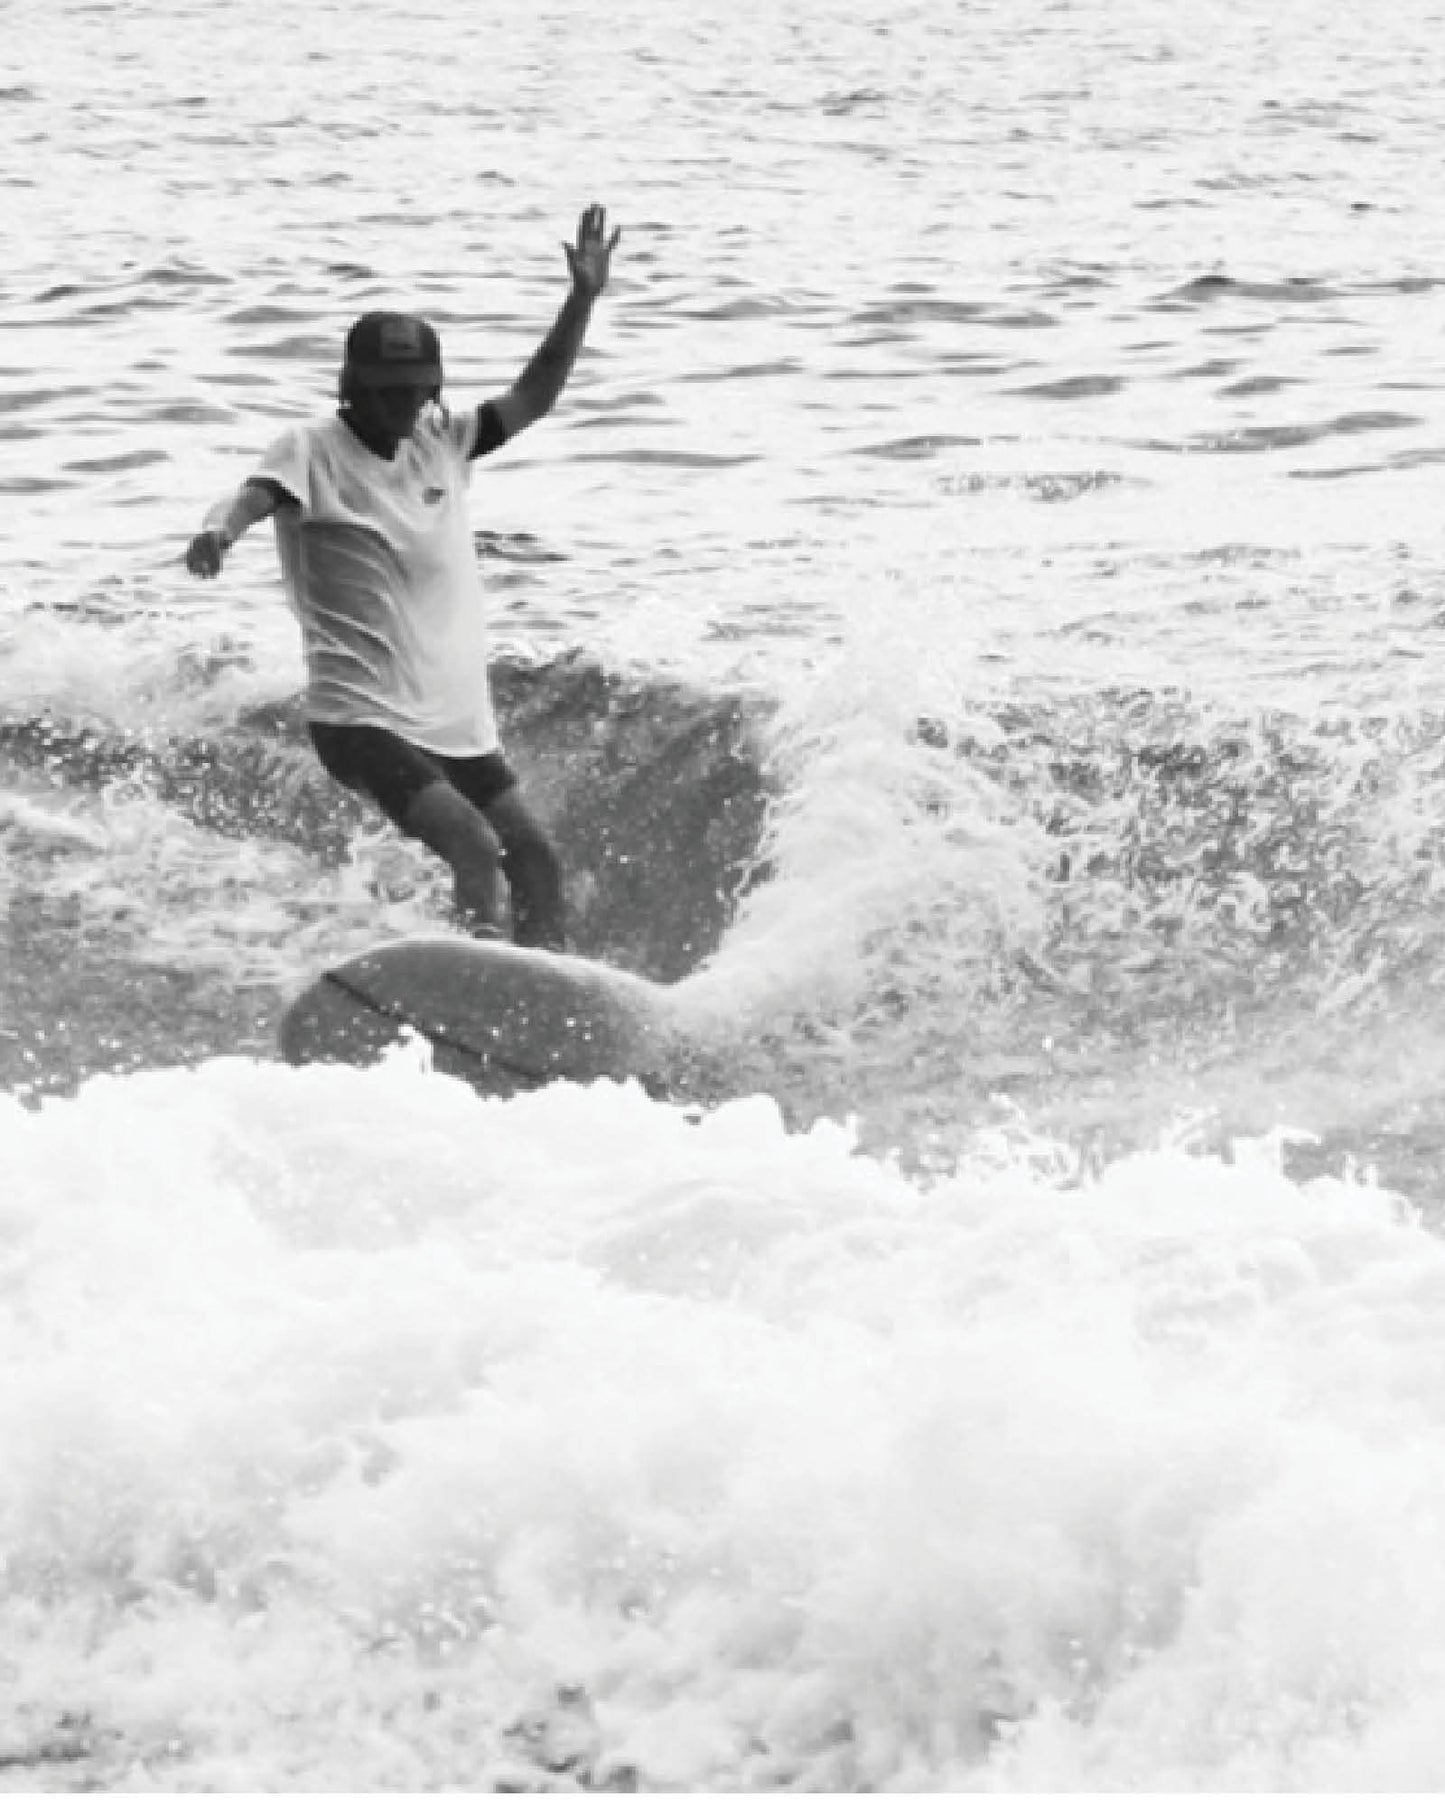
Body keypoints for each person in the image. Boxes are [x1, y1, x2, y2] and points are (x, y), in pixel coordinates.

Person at [185, 205, 621, 949]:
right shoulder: (310, 449)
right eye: (387, 390)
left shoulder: (444, 443)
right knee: (474, 844)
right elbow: (256, 495)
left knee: (537, 860)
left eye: (417, 390)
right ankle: (476, 989)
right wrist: (220, 531)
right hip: (359, 717)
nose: (403, 404)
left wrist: (580, 300)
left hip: (453, 720)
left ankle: (548, 993)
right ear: (352, 386)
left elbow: (536, 394)